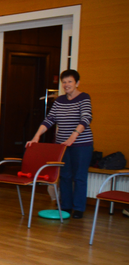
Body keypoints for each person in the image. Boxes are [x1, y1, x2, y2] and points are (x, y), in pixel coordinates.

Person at [27, 69, 92, 219]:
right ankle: (66, 206)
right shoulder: (59, 101)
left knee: (80, 177)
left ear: (77, 83)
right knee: (65, 175)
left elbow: (86, 118)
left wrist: (73, 136)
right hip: (62, 146)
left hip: (82, 144)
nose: (67, 84)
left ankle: (79, 208)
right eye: (64, 82)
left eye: (70, 81)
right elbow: (49, 120)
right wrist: (36, 136)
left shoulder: (84, 97)